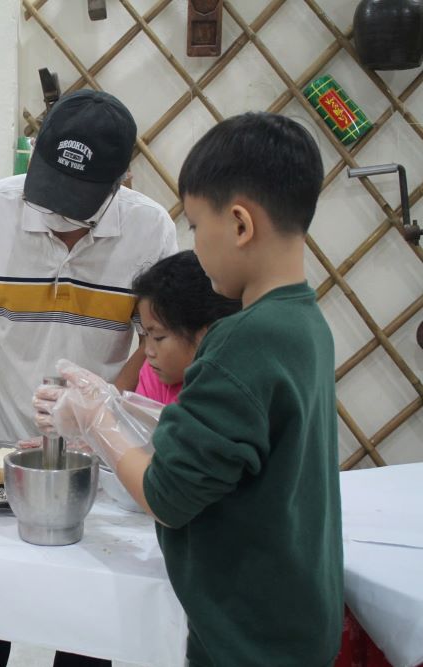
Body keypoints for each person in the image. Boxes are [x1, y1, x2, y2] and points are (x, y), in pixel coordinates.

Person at [35, 112, 343, 666]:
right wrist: (122, 409)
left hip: (249, 637)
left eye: (198, 228)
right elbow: (242, 449)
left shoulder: (241, 341)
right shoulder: (304, 322)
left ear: (241, 224)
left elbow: (167, 497)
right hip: (292, 615)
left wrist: (97, 421)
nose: (194, 246)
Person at [0, 90, 177, 667]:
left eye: (80, 200)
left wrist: (101, 411)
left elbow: (154, 340)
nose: (59, 211)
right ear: (35, 154)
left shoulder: (151, 231)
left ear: (123, 181)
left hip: (102, 455)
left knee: (87, 625)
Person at [130, 250, 240, 405]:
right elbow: (137, 426)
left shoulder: (233, 392)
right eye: (146, 334)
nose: (148, 351)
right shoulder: (154, 374)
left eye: (158, 338)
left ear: (208, 334)